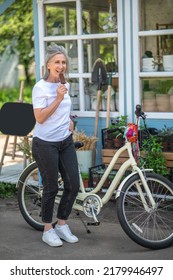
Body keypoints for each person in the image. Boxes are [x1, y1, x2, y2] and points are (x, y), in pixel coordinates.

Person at [32, 44, 80, 247]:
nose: (61, 65)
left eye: (63, 62)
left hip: (65, 141)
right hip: (45, 144)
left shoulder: (65, 85)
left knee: (73, 185)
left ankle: (61, 224)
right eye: (57, 62)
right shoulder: (40, 87)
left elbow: (64, 109)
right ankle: (47, 229)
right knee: (51, 187)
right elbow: (40, 118)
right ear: (49, 65)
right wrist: (58, 99)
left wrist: (70, 120)